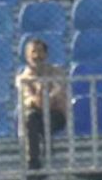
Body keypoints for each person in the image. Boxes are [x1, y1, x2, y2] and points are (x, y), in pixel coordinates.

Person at [16, 38, 67, 169]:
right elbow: (31, 101)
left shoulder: (57, 72)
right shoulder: (23, 78)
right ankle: (34, 163)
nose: (36, 56)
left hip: (55, 114)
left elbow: (58, 95)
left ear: (46, 54)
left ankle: (48, 154)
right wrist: (41, 94)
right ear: (27, 56)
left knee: (47, 120)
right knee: (31, 118)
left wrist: (44, 98)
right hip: (36, 115)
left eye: (40, 52)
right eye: (33, 52)